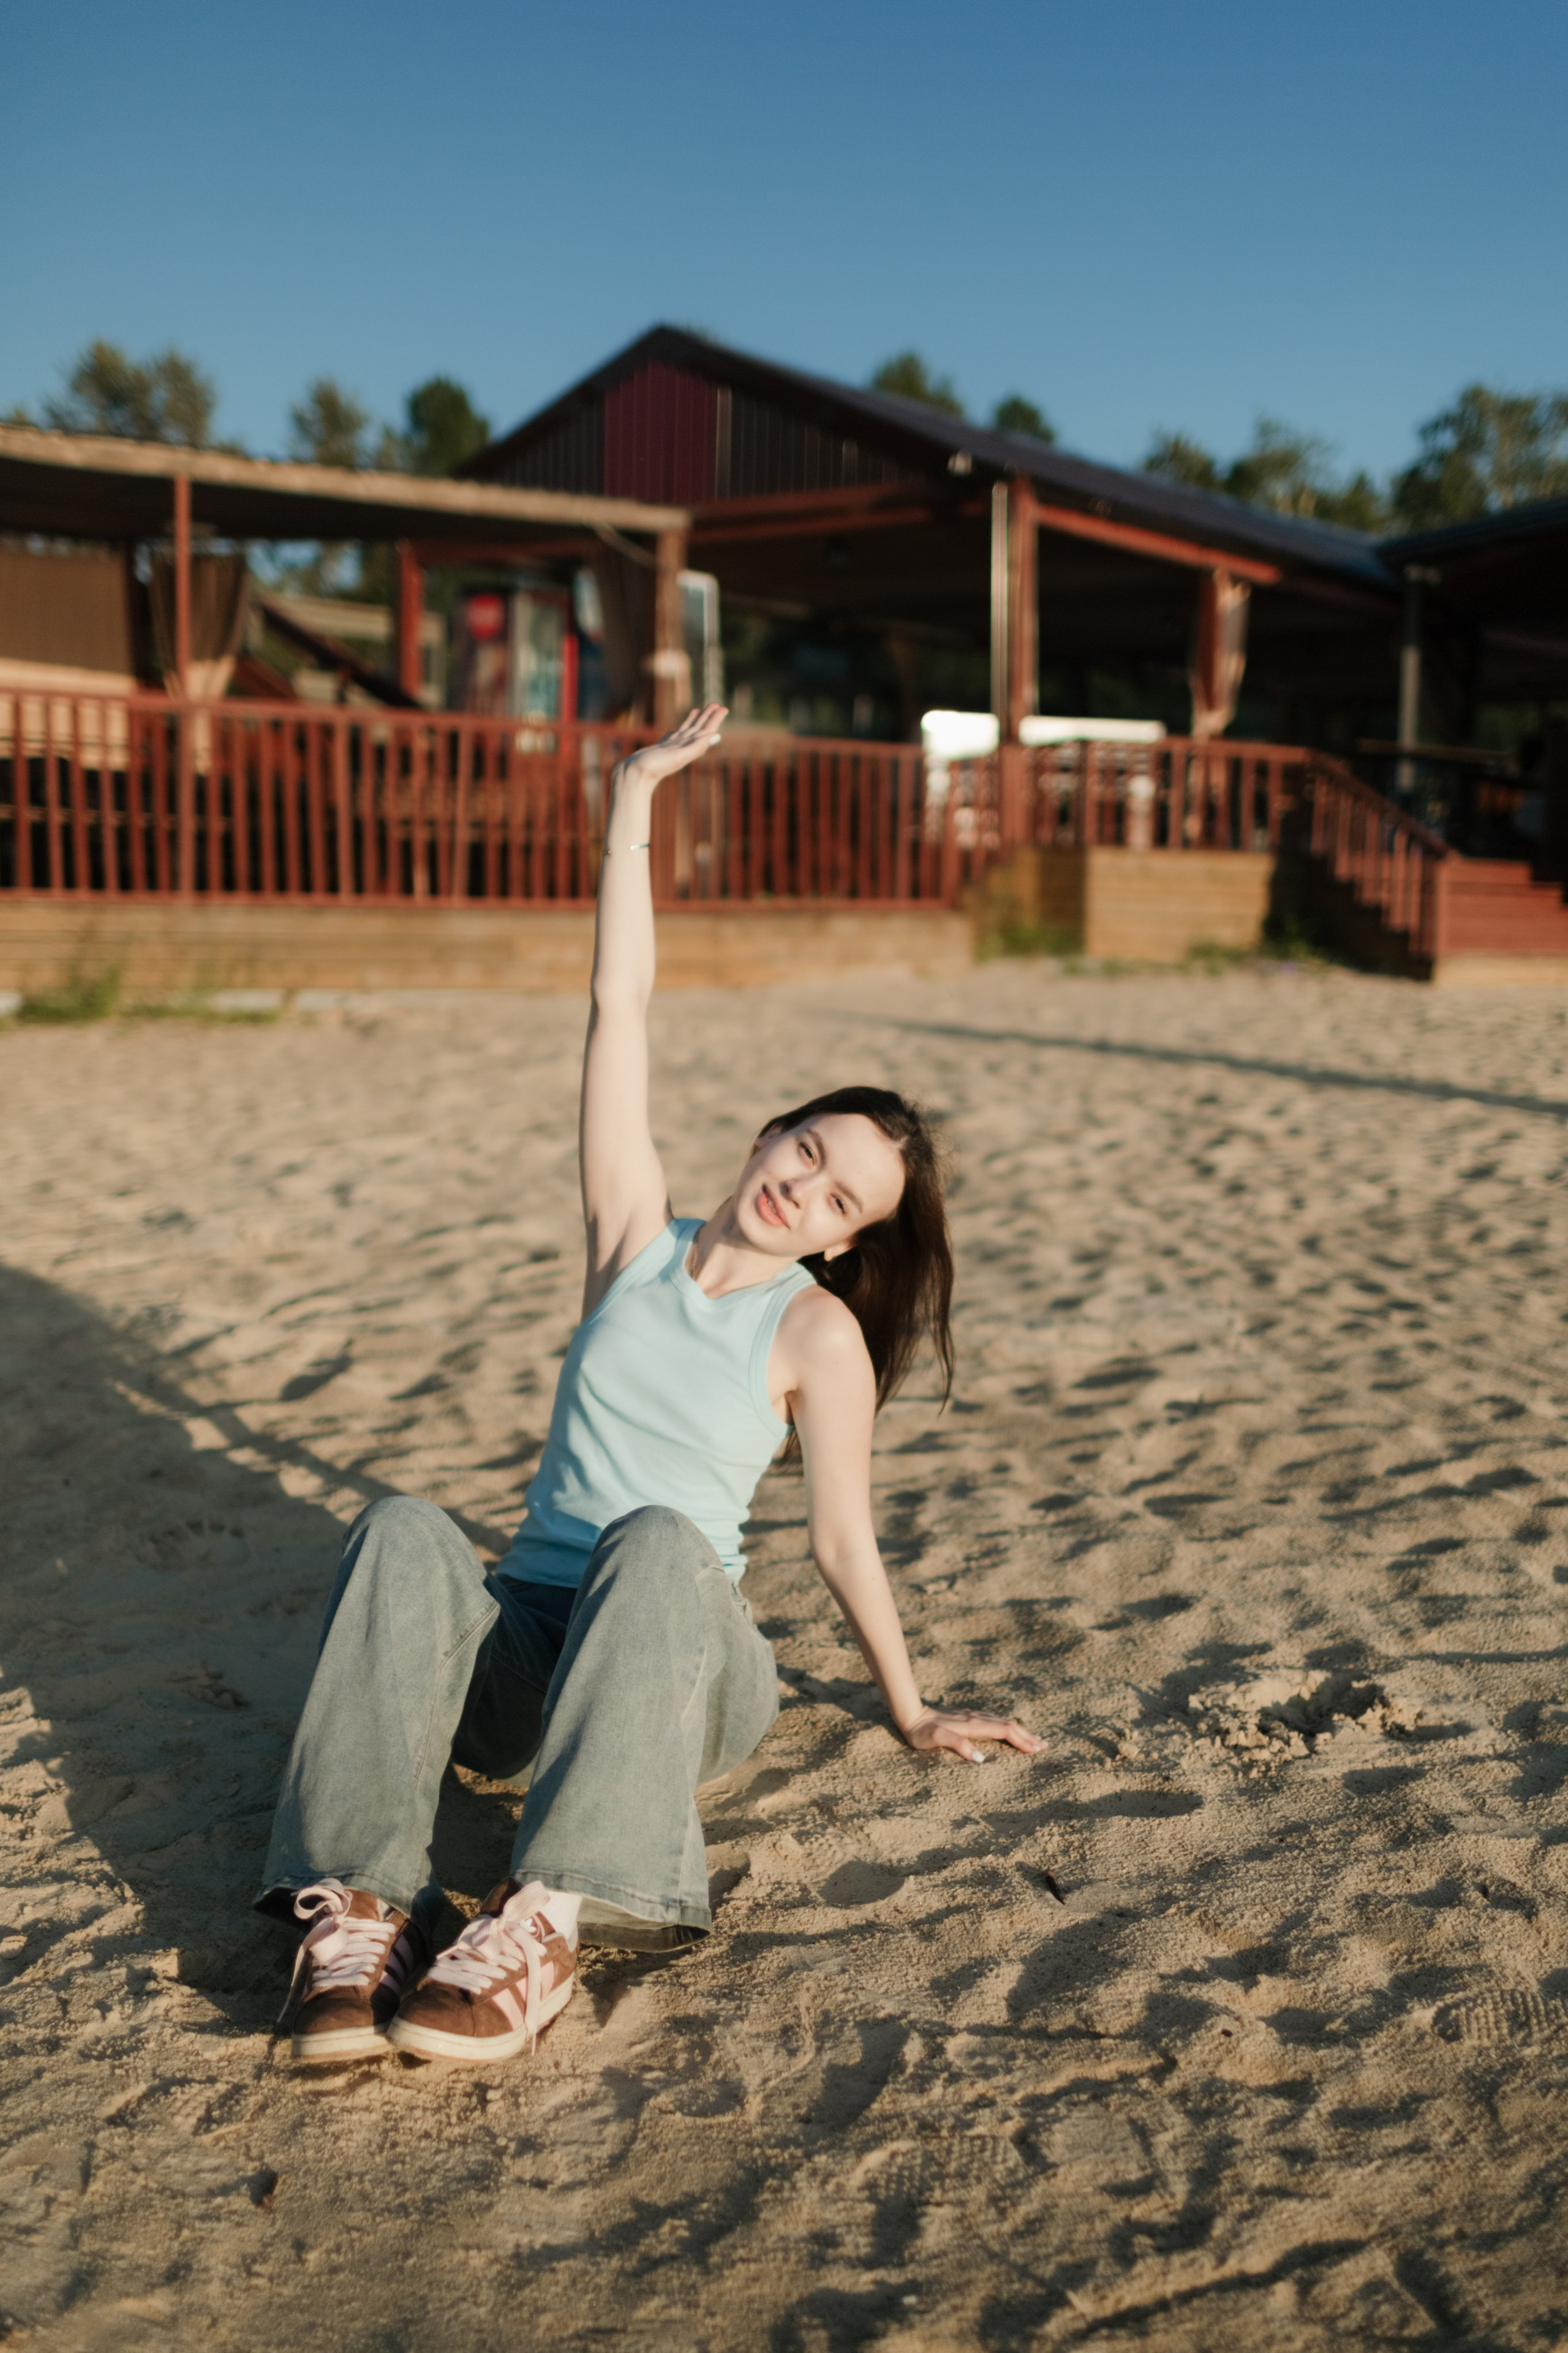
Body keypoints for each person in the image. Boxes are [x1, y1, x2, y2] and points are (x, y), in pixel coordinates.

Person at [258, 704, 1044, 2069]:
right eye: (802, 1144)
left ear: (843, 1237)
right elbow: (617, 1004)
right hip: (530, 1654)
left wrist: (909, 1707)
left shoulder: (817, 1338)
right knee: (397, 1526)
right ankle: (360, 1914)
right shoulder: (633, 1236)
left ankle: (546, 1915)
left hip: (680, 1662)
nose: (799, 1179)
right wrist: (630, 798)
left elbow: (839, 1536)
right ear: (767, 1131)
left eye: (834, 1191)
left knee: (658, 1536)